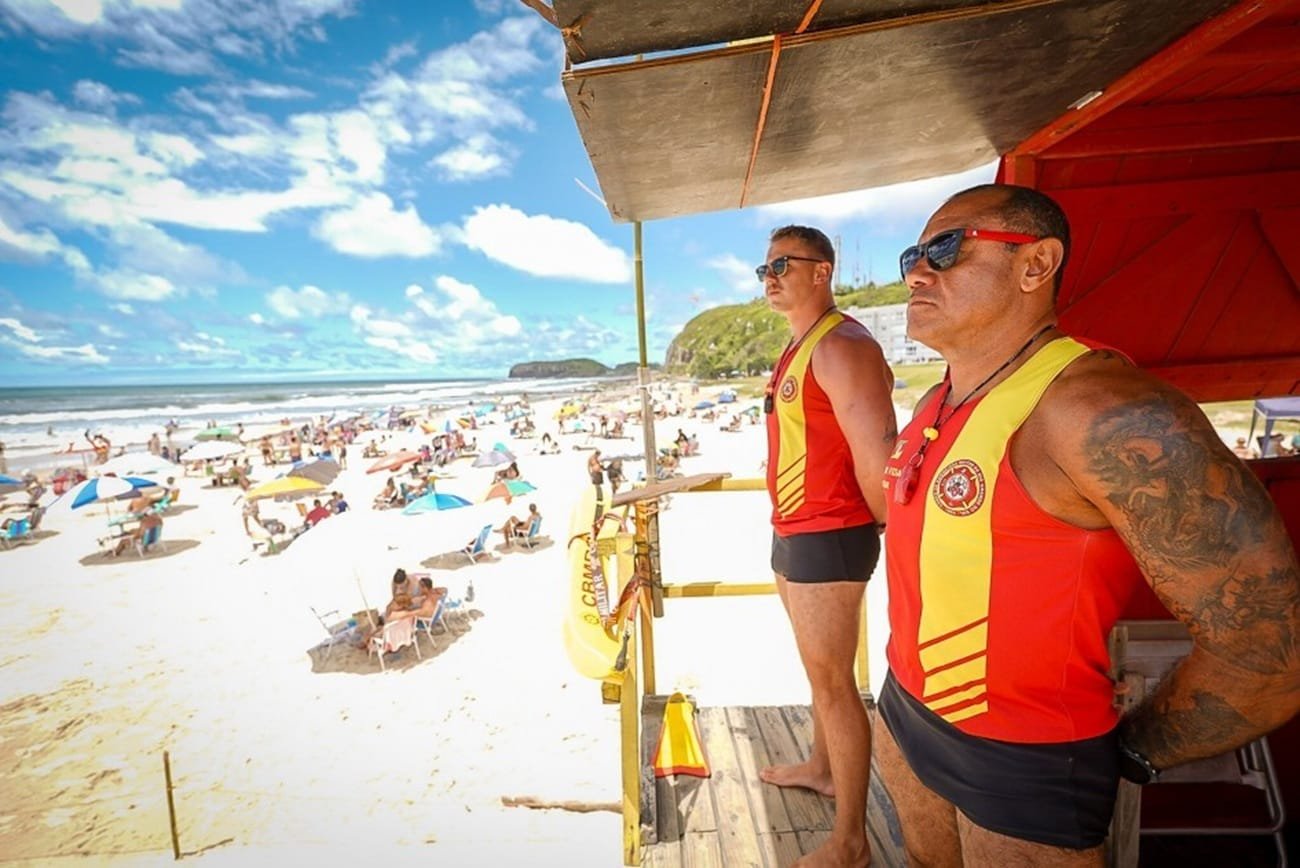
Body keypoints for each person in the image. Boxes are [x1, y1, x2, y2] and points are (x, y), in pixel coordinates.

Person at [878, 183, 1300, 866]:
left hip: (1023, 763)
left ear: (1036, 264)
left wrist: (1130, 750)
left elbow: (1268, 649)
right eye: (912, 254)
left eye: (947, 248)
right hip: (906, 714)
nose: (917, 271)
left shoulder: (1101, 411)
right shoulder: (938, 399)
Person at [758, 224, 897, 868]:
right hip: (795, 529)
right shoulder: (801, 346)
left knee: (835, 684)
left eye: (783, 264)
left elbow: (877, 457)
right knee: (820, 676)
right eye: (763, 267)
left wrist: (891, 533)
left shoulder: (842, 346)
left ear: (823, 271)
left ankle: (851, 842)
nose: (769, 276)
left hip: (830, 533)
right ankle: (821, 767)